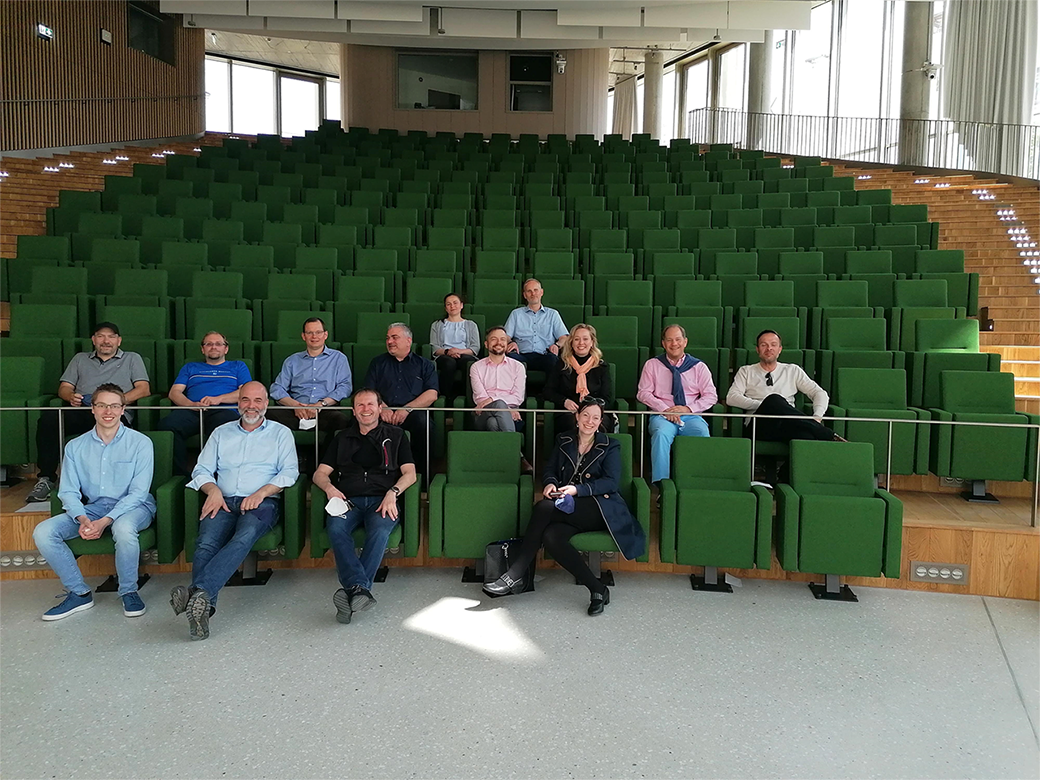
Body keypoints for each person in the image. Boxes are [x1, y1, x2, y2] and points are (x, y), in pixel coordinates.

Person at [482, 397, 646, 616]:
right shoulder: (564, 439)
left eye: (595, 418)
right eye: (586, 415)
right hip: (567, 507)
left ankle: (515, 572)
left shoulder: (610, 445)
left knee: (543, 508)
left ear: (600, 422)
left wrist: (577, 490)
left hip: (598, 507)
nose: (590, 421)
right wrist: (550, 483)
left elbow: (610, 482)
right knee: (551, 536)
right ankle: (597, 589)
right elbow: (550, 469)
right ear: (577, 417)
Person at [169, 381, 298, 641]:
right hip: (223, 499)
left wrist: (261, 493)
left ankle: (198, 592)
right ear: (238, 403)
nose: (251, 406)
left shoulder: (280, 433)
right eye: (246, 400)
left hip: (262, 502)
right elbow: (201, 470)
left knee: (243, 537)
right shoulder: (221, 432)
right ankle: (202, 609)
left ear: (266, 403)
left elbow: (290, 473)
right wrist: (213, 491)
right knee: (205, 543)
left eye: (258, 400)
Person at [32, 384, 156, 621]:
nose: (108, 411)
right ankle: (79, 593)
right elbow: (67, 490)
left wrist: (105, 522)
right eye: (102, 405)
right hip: (94, 507)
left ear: (123, 409)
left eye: (114, 406)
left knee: (123, 527)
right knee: (44, 531)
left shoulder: (141, 443)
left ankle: (129, 590)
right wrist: (83, 518)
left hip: (135, 506)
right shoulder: (75, 446)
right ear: (92, 409)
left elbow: (139, 493)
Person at [313, 388, 417, 624]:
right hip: (348, 500)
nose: (365, 409)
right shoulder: (341, 438)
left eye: (370, 404)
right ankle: (359, 590)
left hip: (383, 499)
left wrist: (393, 492)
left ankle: (353, 590)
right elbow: (320, 474)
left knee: (380, 530)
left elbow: (410, 474)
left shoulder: (397, 435)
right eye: (360, 405)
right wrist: (330, 489)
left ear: (380, 408)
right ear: (353, 410)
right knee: (336, 529)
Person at [29, 322, 150, 503]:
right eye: (101, 336)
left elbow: (143, 389)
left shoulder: (132, 358)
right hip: (84, 410)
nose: (106, 341)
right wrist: (70, 396)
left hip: (114, 413)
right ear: (93, 340)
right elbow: (64, 387)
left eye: (111, 337)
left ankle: (109, 489)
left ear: (119, 340)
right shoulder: (80, 359)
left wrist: (113, 402)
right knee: (49, 420)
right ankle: (46, 478)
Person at [726, 329, 842, 444]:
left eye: (773, 345)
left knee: (806, 436)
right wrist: (767, 405)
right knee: (774, 399)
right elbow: (731, 397)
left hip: (788, 425)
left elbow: (820, 393)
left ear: (779, 349)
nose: (769, 348)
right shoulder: (746, 371)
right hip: (759, 425)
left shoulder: (792, 370)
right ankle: (827, 434)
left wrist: (817, 416)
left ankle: (791, 459)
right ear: (757, 349)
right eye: (763, 345)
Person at [159, 331, 251, 476]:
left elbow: (246, 393)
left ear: (226, 349)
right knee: (167, 426)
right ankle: (180, 476)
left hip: (223, 411)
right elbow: (174, 392)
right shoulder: (190, 367)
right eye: (209, 344)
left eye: (218, 344)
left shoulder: (238, 366)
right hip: (193, 410)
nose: (213, 347)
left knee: (224, 427)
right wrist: (191, 404)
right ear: (203, 349)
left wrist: (218, 399)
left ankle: (215, 476)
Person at [637, 324, 718, 484]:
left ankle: (696, 482)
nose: (674, 344)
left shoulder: (699, 367)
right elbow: (643, 393)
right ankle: (662, 485)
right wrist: (666, 409)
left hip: (690, 416)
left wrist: (688, 409)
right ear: (663, 343)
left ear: (685, 342)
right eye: (669, 340)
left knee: (702, 433)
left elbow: (711, 396)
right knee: (661, 435)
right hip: (662, 416)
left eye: (678, 339)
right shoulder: (652, 365)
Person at [363, 323, 438, 480]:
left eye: (395, 337)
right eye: (388, 338)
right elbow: (369, 391)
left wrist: (407, 409)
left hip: (412, 413)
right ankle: (371, 478)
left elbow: (432, 394)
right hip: (382, 412)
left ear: (408, 340)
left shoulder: (424, 365)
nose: (390, 341)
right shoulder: (377, 363)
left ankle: (423, 478)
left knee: (424, 424)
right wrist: (382, 407)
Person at [268, 317, 352, 434]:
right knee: (268, 415)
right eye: (309, 333)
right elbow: (276, 388)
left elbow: (345, 387)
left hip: (324, 410)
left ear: (325, 335)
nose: (314, 336)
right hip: (295, 411)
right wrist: (295, 405)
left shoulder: (339, 358)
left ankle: (325, 453)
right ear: (303, 336)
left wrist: (320, 404)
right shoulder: (292, 361)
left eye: (318, 332)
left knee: (341, 421)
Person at [543, 323, 615, 435]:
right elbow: (548, 391)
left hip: (595, 413)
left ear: (592, 342)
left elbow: (607, 398)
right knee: (573, 424)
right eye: (576, 339)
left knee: (596, 424)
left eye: (585, 339)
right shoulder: (561, 364)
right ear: (571, 342)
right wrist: (564, 401)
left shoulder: (601, 367)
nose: (581, 343)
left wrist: (590, 409)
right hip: (568, 413)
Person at [503, 278, 569, 373]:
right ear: (525, 295)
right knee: (510, 358)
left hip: (545, 355)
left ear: (541, 292)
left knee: (553, 360)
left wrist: (557, 345)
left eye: (535, 290)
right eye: (529, 291)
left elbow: (564, 338)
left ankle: (549, 388)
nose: (533, 294)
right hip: (522, 355)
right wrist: (510, 343)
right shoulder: (516, 314)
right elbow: (506, 337)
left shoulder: (553, 314)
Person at [469, 326, 526, 433]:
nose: (498, 342)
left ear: (507, 344)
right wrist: (505, 408)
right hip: (483, 414)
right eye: (494, 339)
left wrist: (492, 399)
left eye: (502, 339)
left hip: (511, 416)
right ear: (486, 344)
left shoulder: (518, 367)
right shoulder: (476, 367)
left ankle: (502, 448)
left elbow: (518, 397)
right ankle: (513, 446)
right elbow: (481, 398)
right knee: (498, 404)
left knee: (493, 423)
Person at [430, 293, 480, 398]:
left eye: (455, 303)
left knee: (467, 362)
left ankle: (467, 397)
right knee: (449, 363)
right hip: (444, 355)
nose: (452, 306)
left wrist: (458, 351)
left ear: (461, 305)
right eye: (448, 304)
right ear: (445, 308)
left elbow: (475, 347)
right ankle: (446, 398)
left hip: (465, 353)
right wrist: (448, 352)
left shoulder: (471, 325)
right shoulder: (437, 325)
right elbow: (435, 348)